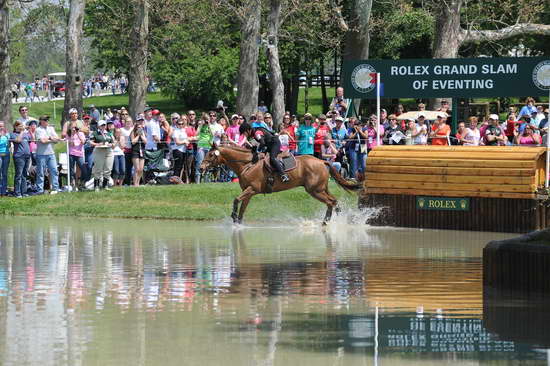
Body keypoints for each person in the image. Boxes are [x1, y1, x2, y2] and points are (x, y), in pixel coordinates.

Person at [35, 115, 60, 194]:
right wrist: (50, 138)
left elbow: (57, 140)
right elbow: (43, 141)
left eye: (47, 120)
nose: (47, 121)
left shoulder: (51, 128)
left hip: (51, 153)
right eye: (45, 120)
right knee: (41, 173)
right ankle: (40, 190)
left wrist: (49, 139)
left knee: (54, 171)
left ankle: (55, 188)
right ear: (41, 121)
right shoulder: (38, 130)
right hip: (41, 154)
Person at [90, 120, 115, 191]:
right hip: (99, 151)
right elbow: (91, 142)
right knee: (98, 168)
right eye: (102, 125)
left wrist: (112, 144)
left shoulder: (109, 133)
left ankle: (105, 185)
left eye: (104, 125)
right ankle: (96, 186)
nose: (103, 126)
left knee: (108, 168)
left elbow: (113, 142)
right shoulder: (95, 133)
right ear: (98, 126)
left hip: (109, 151)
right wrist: (97, 144)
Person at [10, 121, 31, 197]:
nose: (22, 127)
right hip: (19, 156)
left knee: (24, 175)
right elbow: (18, 140)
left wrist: (30, 130)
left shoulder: (25, 134)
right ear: (15, 127)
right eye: (20, 126)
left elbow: (32, 140)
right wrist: (22, 131)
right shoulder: (13, 134)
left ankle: (24, 192)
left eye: (22, 125)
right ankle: (17, 193)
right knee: (18, 175)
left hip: (27, 156)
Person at [67, 118, 87, 189]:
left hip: (79, 154)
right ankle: (72, 184)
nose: (74, 129)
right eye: (72, 127)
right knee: (71, 170)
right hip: (71, 154)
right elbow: (71, 144)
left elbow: (83, 142)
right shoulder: (69, 135)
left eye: (75, 127)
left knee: (84, 169)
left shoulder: (81, 133)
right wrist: (72, 135)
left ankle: (81, 183)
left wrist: (77, 133)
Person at [131, 116, 147, 186]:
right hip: (135, 151)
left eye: (141, 127)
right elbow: (133, 142)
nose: (140, 128)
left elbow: (146, 142)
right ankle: (135, 184)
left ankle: (138, 182)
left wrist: (141, 135)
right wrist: (138, 135)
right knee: (137, 169)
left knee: (141, 169)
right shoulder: (133, 132)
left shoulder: (143, 132)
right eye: (138, 127)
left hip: (142, 151)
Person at [121, 117, 134, 185]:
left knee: (132, 168)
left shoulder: (133, 129)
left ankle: (131, 182)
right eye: (127, 121)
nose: (129, 123)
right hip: (125, 150)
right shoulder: (122, 130)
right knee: (126, 168)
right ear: (125, 122)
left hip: (133, 150)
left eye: (130, 121)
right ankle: (125, 182)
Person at [0, 121, 9, 196]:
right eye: (0, 126)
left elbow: (8, 145)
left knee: (4, 173)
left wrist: (5, 136)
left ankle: (4, 191)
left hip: (6, 155)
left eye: (2, 126)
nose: (1, 127)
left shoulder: (7, 134)